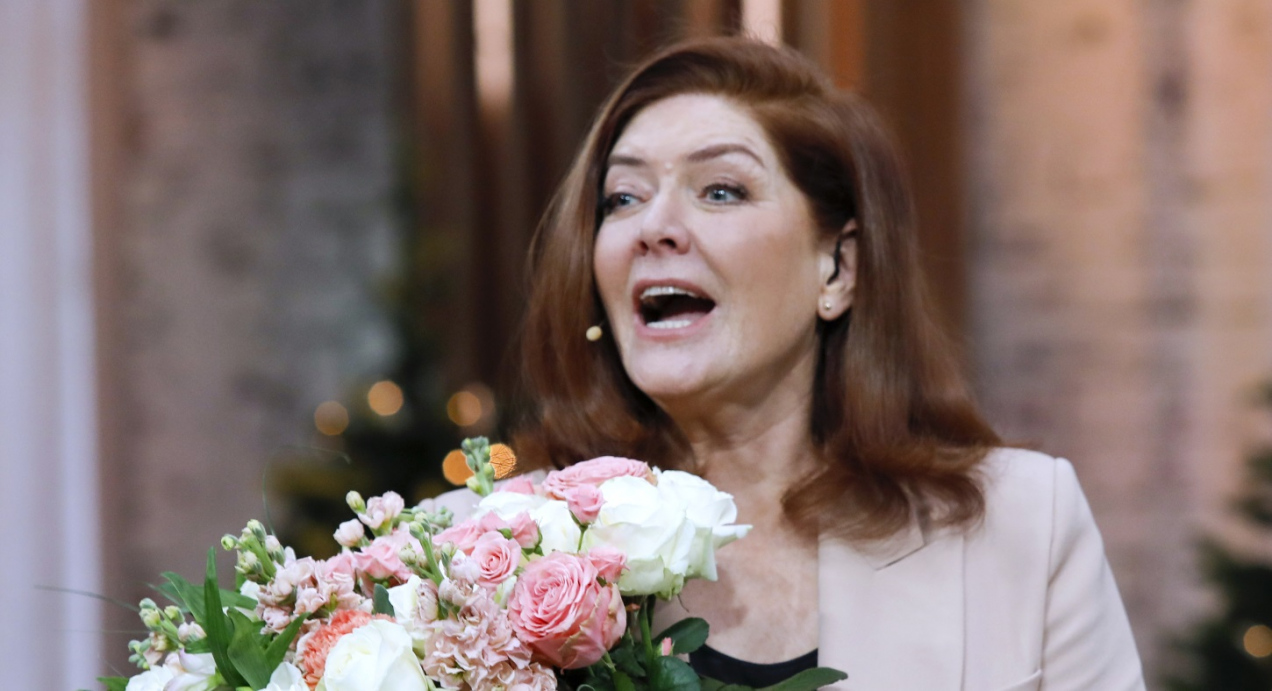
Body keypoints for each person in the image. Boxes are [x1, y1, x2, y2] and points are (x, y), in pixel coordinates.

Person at [445, 37, 1145, 690]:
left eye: (721, 190)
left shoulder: (1023, 523)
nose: (654, 227)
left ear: (837, 267)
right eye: (622, 198)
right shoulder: (469, 551)